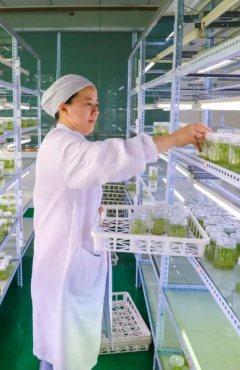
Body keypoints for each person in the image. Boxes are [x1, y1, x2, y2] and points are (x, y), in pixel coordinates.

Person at [31, 74, 211, 370]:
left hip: (63, 257)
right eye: (88, 104)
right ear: (63, 107)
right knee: (65, 347)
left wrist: (92, 207)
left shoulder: (65, 141)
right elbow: (110, 158)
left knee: (60, 346)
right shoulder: (64, 145)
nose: (95, 111)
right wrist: (174, 139)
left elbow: (77, 185)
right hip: (64, 264)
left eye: (97, 104)